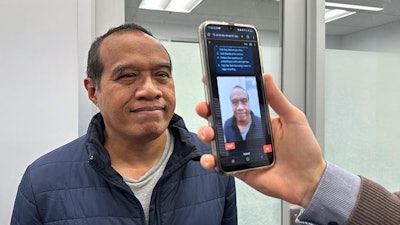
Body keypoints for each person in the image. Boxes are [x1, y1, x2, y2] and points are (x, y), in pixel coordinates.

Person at [10, 23, 237, 225]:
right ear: (92, 91)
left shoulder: (212, 163)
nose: (151, 90)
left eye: (161, 74)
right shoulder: (42, 182)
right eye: (128, 76)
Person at [196, 73, 400, 225]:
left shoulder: (260, 125)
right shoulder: (222, 133)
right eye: (234, 102)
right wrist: (314, 181)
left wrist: (313, 182)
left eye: (244, 101)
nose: (240, 106)